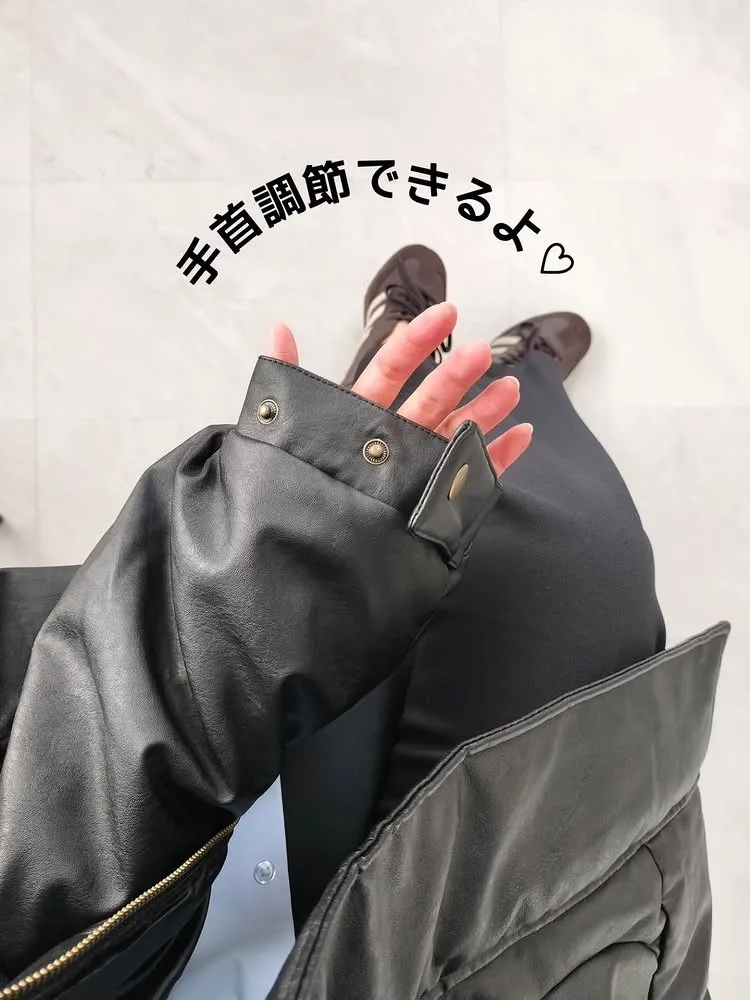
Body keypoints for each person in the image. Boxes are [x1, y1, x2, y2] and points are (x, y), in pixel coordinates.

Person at [0, 246, 728, 1000]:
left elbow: (40, 837)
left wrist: (247, 589)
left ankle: (413, 356)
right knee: (577, 554)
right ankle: (518, 373)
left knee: (390, 495)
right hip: (427, 955)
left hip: (190, 871)